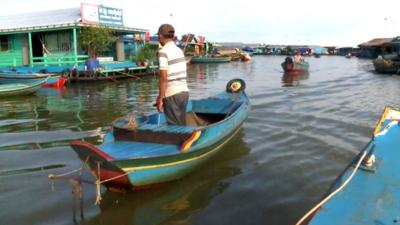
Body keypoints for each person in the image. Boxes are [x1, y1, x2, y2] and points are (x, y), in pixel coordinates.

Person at [156, 24, 189, 126]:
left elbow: (163, 77)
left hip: (172, 94)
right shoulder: (179, 50)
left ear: (161, 36)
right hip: (184, 92)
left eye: (158, 36)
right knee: (181, 123)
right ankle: (185, 139)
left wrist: (160, 98)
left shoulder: (163, 52)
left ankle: (181, 141)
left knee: (175, 127)